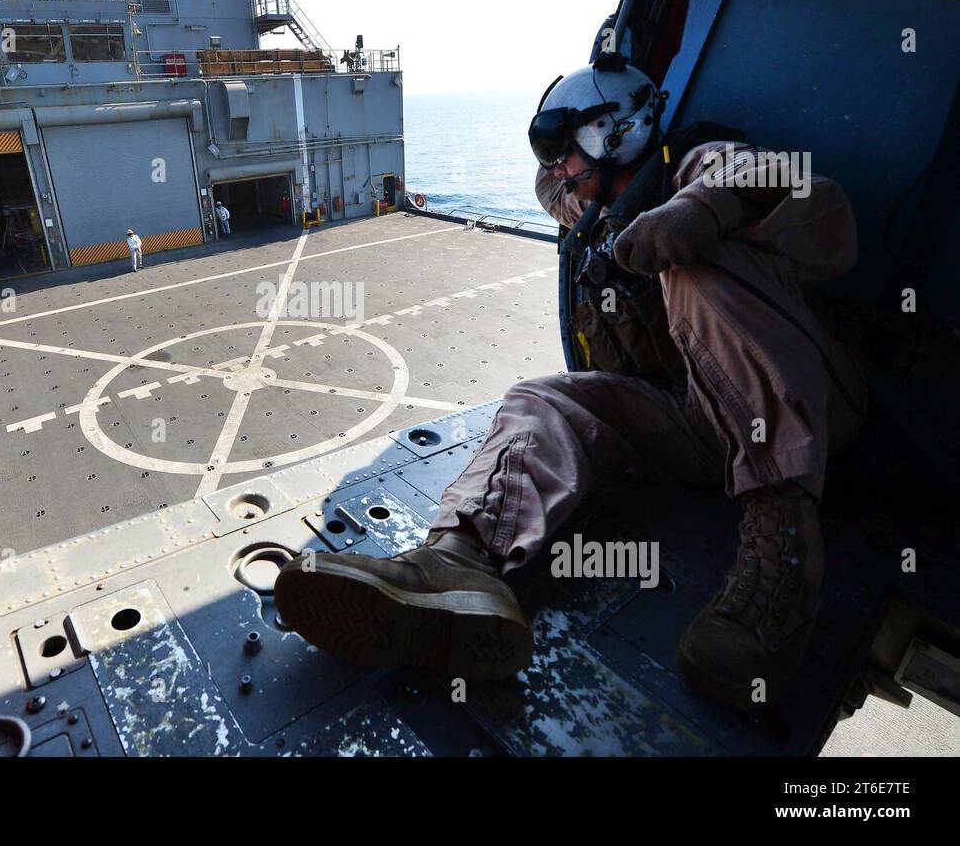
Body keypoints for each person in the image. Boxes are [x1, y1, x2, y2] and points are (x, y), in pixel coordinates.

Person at [274, 60, 865, 710]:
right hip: (696, 425)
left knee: (693, 268)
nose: (561, 173)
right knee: (539, 399)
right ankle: (459, 562)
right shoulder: (596, 200)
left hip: (803, 416)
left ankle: (781, 550)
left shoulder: (701, 161)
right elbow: (548, 187)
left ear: (622, 133)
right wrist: (568, 155)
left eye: (567, 154)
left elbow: (811, 196)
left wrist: (701, 211)